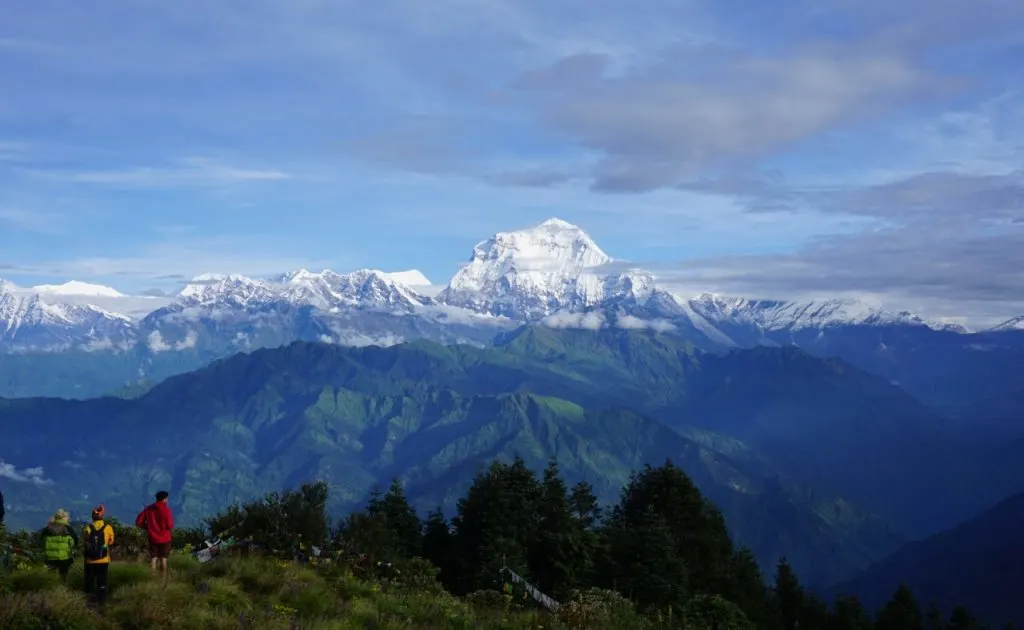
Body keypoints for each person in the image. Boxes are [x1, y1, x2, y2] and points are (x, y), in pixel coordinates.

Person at [136, 490, 174, 582]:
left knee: (154, 558)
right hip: (165, 537)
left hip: (153, 537)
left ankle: (152, 578)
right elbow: (170, 525)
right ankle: (163, 579)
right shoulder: (166, 510)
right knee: (164, 558)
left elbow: (138, 522)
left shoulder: (148, 509)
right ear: (164, 499)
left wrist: (148, 527)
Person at [82, 505, 114, 605]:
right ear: (102, 516)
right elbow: (111, 542)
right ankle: (102, 601)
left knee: (89, 581)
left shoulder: (87, 528)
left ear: (92, 517)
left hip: (89, 560)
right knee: (102, 580)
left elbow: (85, 540)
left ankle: (89, 600)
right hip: (103, 560)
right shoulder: (108, 528)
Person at [40, 509, 77, 581]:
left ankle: (51, 588)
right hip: (64, 557)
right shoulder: (67, 528)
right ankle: (62, 588)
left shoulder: (48, 528)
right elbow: (74, 541)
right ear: (64, 518)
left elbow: (42, 541)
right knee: (63, 575)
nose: (68, 518)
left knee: (51, 576)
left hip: (50, 557)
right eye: (67, 517)